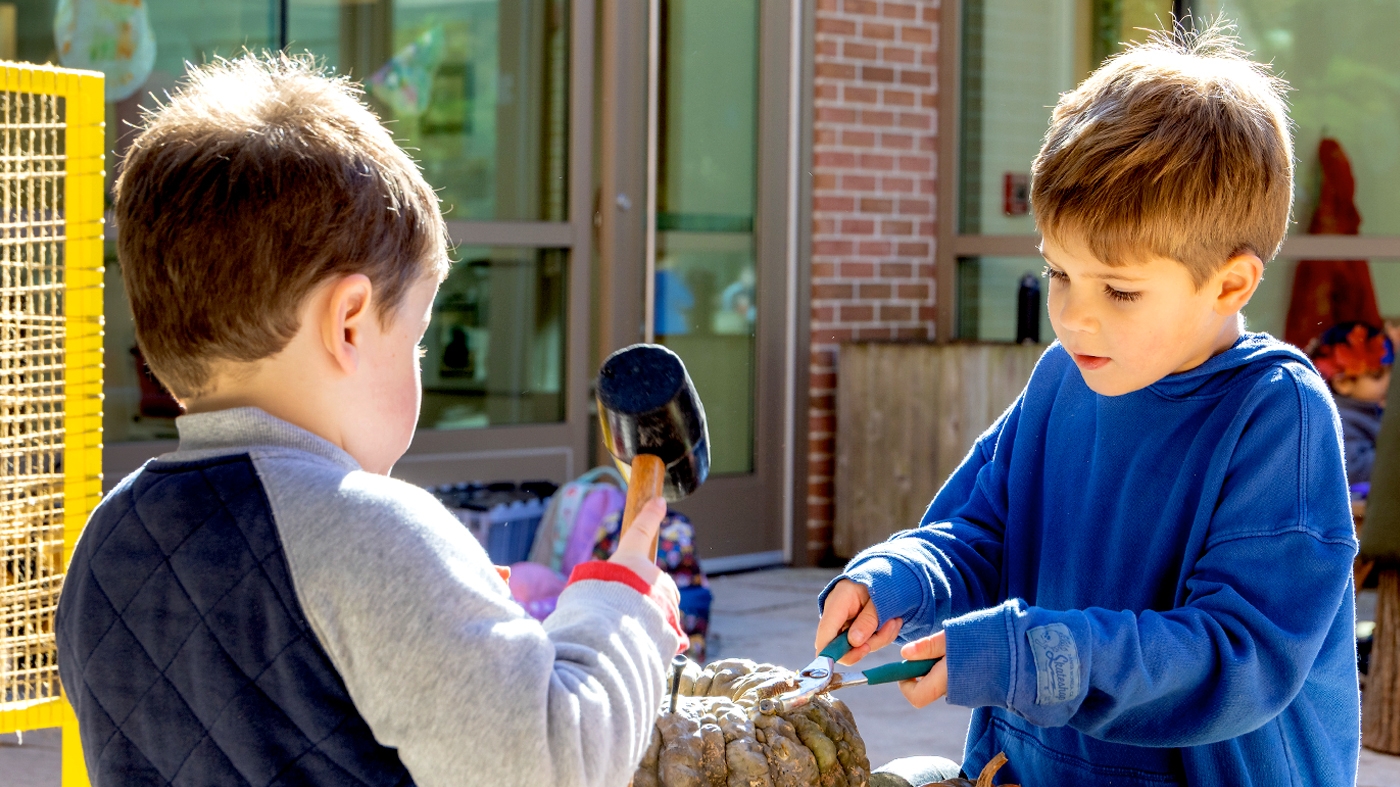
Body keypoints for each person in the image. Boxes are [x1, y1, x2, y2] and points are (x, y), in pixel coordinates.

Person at [55, 54, 686, 787]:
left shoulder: (104, 541)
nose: (417, 356)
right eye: (414, 336)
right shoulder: (372, 529)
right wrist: (622, 603)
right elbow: (551, 761)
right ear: (350, 322)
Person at [816, 23, 1358, 787]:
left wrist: (1026, 654)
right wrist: (896, 578)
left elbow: (1236, 655)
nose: (1074, 316)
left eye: (1120, 290)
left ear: (1231, 284)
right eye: (1058, 274)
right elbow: (977, 529)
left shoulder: (1276, 417)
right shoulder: (1064, 378)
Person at [1308, 321, 1393, 489]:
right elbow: (1355, 469)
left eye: (1392, 371)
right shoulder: (1338, 419)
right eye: (1377, 375)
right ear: (1343, 383)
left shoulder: (1373, 408)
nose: (1389, 381)